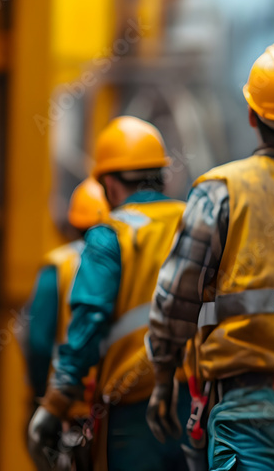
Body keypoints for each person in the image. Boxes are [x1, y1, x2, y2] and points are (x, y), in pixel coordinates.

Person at [145, 41, 274, 471]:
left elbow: (176, 298)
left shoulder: (219, 191)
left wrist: (163, 374)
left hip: (245, 415)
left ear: (252, 116)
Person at [28, 116, 192, 471]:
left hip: (134, 408)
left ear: (110, 184)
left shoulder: (110, 235)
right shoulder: (196, 221)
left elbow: (90, 319)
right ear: (162, 175)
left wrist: (54, 405)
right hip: (198, 403)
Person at [23, 178, 108, 404]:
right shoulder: (129, 261)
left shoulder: (59, 265)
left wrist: (41, 393)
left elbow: (39, 342)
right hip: (115, 399)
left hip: (66, 402)